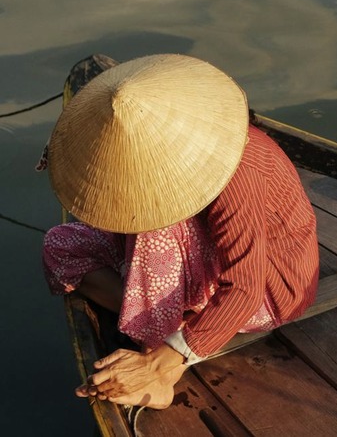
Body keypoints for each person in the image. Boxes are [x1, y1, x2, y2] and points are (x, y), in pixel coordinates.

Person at [41, 54, 320, 409]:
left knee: (154, 227)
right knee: (61, 244)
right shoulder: (165, 166)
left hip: (270, 287)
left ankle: (160, 366)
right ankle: (167, 316)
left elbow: (246, 288)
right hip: (208, 267)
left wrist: (159, 363)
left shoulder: (238, 170)